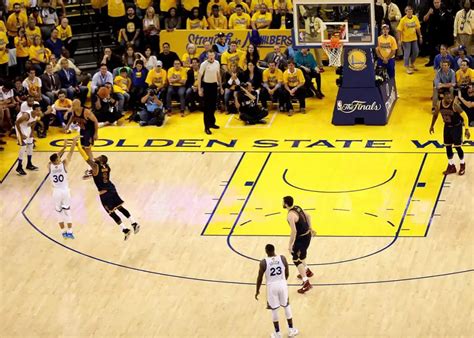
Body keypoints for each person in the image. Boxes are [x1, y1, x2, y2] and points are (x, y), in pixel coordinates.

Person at [81, 154, 140, 240]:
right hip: (111, 189)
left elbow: (88, 159)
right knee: (120, 207)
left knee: (111, 213)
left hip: (105, 193)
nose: (97, 157)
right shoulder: (107, 167)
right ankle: (133, 223)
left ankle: (125, 229)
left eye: (99, 157)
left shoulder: (96, 166)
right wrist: (91, 175)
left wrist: (78, 145)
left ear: (101, 161)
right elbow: (98, 173)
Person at [255, 244, 299, 338]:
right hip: (282, 284)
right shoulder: (282, 258)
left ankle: (278, 333)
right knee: (286, 306)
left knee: (274, 310)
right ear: (274, 250)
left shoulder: (263, 262)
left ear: (266, 251)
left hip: (271, 287)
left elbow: (259, 278)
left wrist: (257, 290)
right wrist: (283, 281)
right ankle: (291, 330)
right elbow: (287, 273)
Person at [430, 90, 470, 175]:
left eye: (450, 97)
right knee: (447, 147)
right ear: (443, 97)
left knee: (457, 147)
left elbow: (465, 117)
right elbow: (435, 115)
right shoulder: (439, 104)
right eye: (447, 97)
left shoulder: (455, 106)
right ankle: (451, 166)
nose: (450, 99)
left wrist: (466, 129)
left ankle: (462, 164)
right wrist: (432, 125)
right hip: (447, 127)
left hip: (456, 127)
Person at [283, 195, 315, 294]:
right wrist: (311, 228)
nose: (282, 203)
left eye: (283, 202)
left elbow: (294, 231)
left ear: (285, 204)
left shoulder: (290, 215)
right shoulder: (297, 207)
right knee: (301, 257)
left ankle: (306, 283)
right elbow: (308, 216)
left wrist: (290, 244)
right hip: (307, 235)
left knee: (296, 259)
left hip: (301, 238)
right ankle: (307, 271)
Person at [48, 136, 78, 239]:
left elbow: (54, 158)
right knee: (67, 212)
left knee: (59, 213)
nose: (60, 158)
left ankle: (63, 232)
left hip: (56, 192)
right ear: (57, 160)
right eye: (58, 158)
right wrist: (72, 143)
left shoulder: (49, 166)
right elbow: (71, 153)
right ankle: (70, 232)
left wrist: (63, 147)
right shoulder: (64, 164)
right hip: (65, 191)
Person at [64, 99, 99, 178]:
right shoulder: (74, 111)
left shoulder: (86, 112)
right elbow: (72, 117)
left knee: (87, 148)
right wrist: (67, 125)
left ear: (78, 105)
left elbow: (96, 121)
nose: (72, 106)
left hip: (89, 131)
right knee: (84, 148)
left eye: (73, 105)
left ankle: (92, 166)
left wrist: (96, 133)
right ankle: (92, 164)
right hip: (83, 130)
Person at [198, 50, 223, 135]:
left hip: (214, 86)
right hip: (207, 86)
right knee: (207, 108)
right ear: (207, 56)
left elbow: (218, 75)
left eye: (213, 55)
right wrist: (199, 89)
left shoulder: (217, 63)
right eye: (210, 55)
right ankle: (206, 127)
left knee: (213, 106)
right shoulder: (203, 64)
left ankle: (212, 123)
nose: (211, 57)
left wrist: (221, 86)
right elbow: (199, 77)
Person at [15, 99, 42, 176]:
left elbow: (33, 122)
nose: (39, 112)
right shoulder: (26, 115)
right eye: (37, 110)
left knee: (30, 145)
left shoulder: (37, 115)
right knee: (23, 147)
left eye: (39, 110)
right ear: (33, 110)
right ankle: (19, 167)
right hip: (19, 127)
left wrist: (32, 132)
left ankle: (29, 164)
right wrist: (21, 134)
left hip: (27, 127)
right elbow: (16, 123)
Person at [397, 6, 423, 74]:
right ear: (405, 12)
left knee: (416, 51)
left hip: (414, 38)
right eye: (408, 11)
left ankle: (412, 63)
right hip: (405, 40)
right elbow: (399, 30)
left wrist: (420, 36)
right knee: (407, 53)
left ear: (412, 11)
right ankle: (407, 67)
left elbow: (418, 28)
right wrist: (399, 40)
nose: (409, 12)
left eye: (410, 11)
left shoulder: (415, 18)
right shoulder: (403, 20)